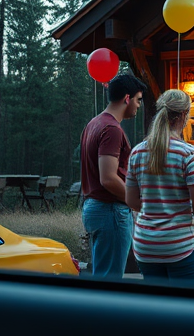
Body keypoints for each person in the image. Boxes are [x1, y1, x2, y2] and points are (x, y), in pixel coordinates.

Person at [126, 89, 194, 283]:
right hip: (180, 245)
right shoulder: (189, 153)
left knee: (157, 307)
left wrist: (154, 208)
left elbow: (131, 200)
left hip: (145, 244)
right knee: (186, 308)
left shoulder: (137, 152)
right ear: (183, 115)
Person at [79, 73, 147, 278]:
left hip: (96, 208)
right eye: (138, 100)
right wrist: (137, 202)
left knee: (102, 275)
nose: (138, 105)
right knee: (110, 279)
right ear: (127, 98)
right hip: (110, 211)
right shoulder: (112, 129)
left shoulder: (94, 124)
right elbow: (108, 178)